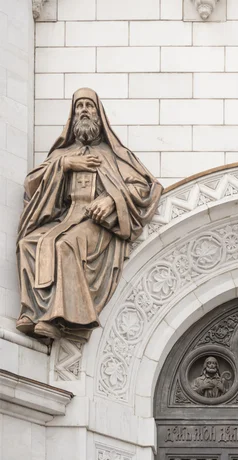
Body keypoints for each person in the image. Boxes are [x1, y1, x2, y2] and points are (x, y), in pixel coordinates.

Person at [16, 88, 162, 340]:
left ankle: (61, 318)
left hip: (96, 222)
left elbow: (145, 186)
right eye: (79, 106)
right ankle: (34, 310)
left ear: (98, 114)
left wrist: (110, 200)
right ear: (72, 116)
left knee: (66, 245)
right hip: (67, 217)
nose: (84, 110)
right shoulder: (61, 155)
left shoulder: (114, 154)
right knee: (28, 243)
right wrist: (64, 165)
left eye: (89, 106)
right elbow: (32, 184)